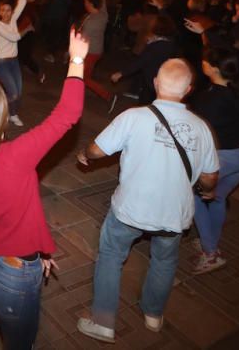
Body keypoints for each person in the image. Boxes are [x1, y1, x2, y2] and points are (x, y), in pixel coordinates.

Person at [0, 29, 88, 349]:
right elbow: (67, 115)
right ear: (0, 120)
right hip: (11, 277)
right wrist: (77, 59)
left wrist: (36, 252)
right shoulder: (14, 157)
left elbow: (10, 215)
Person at [76, 59, 219, 343]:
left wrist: (84, 155)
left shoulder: (133, 117)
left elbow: (97, 149)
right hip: (173, 215)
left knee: (111, 256)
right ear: (188, 89)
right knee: (164, 261)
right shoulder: (202, 128)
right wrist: (206, 188)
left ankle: (103, 321)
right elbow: (210, 178)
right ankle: (153, 315)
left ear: (155, 82)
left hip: (130, 209)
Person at [189, 48, 239, 274]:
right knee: (217, 198)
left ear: (214, 69)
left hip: (225, 158)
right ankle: (210, 243)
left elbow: (197, 131)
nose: (202, 62)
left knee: (195, 197)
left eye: (206, 60)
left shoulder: (211, 98)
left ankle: (210, 253)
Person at [0, 0, 27, 126]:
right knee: (12, 93)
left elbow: (22, 2)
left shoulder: (12, 19)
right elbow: (15, 38)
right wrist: (26, 29)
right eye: (3, 10)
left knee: (18, 93)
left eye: (8, 10)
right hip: (2, 63)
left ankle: (13, 114)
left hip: (14, 62)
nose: (6, 13)